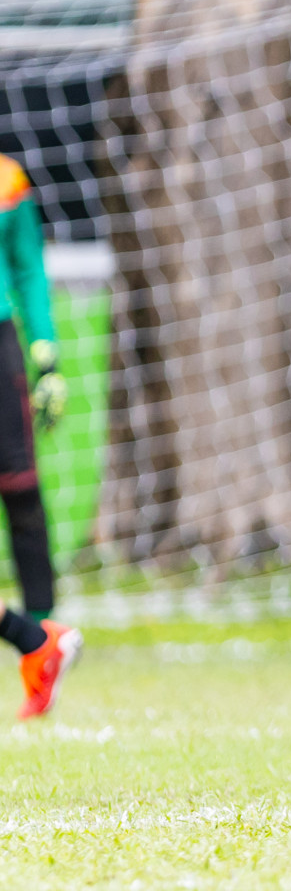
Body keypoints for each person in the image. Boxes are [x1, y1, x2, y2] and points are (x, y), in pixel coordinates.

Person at [0, 154, 79, 720]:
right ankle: (35, 640)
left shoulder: (8, 179)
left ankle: (41, 631)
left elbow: (27, 266)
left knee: (21, 489)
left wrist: (44, 351)